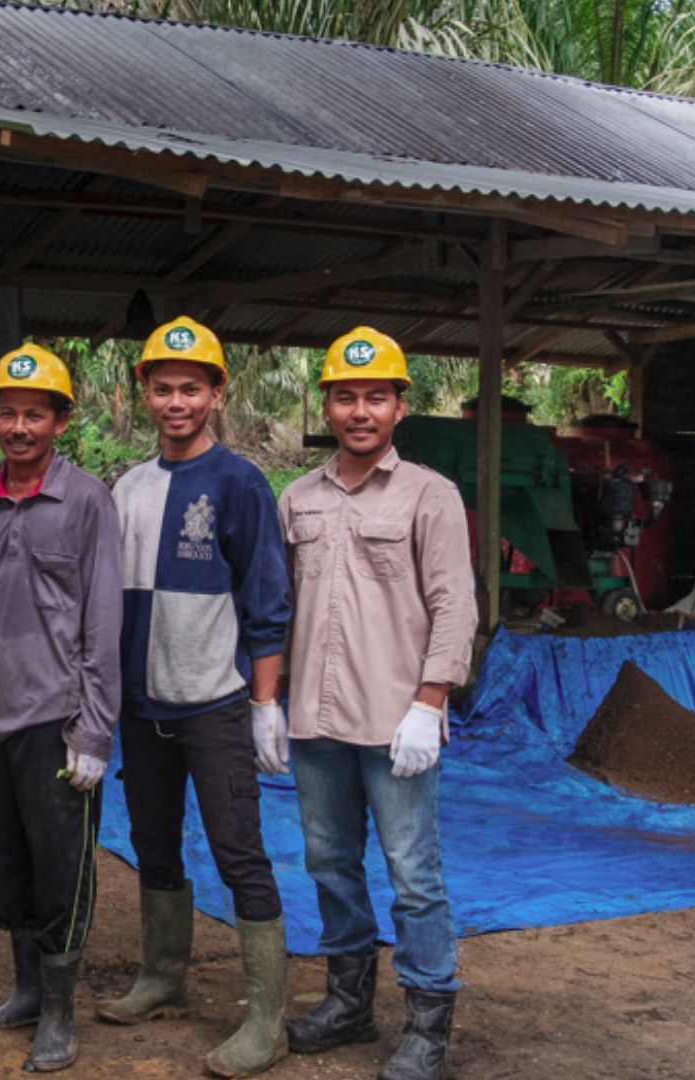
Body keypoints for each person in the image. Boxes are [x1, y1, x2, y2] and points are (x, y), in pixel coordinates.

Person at [96, 317, 293, 1079]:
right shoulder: (130, 487)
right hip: (144, 709)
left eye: (191, 388)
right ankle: (163, 974)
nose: (176, 402)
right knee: (153, 842)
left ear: (216, 393)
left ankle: (267, 1018)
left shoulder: (240, 483)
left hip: (213, 702)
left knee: (239, 851)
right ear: (143, 392)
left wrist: (264, 705)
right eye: (162, 388)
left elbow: (267, 601)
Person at [277, 327, 476, 1080]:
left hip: (397, 723)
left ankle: (427, 1022)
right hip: (317, 722)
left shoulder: (431, 495)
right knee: (329, 862)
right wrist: (270, 702)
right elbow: (279, 607)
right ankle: (348, 1003)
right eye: (346, 396)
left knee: (412, 872)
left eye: (376, 397)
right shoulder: (296, 499)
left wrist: (430, 702)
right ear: (326, 404)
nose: (360, 411)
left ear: (400, 406)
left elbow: (455, 605)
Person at [0, 344, 122, 1072]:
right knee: (0, 864)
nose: (19, 426)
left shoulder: (86, 502)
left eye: (35, 414)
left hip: (56, 723)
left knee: (62, 872)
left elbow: (103, 621)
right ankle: (25, 989)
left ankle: (59, 1011)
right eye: (8, 412)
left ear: (58, 421)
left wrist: (94, 730)